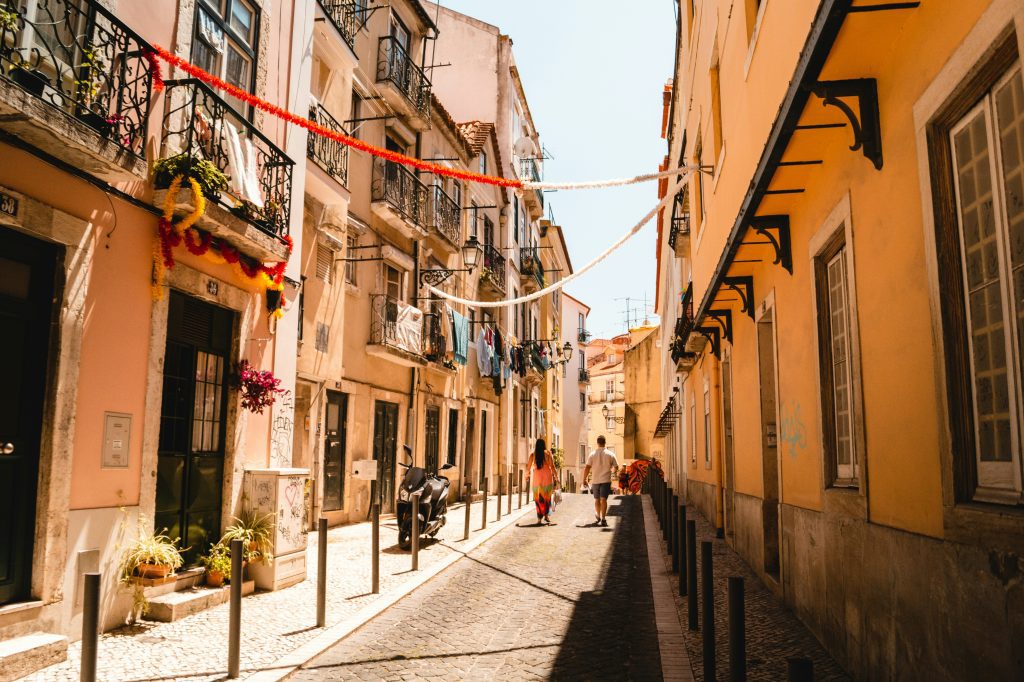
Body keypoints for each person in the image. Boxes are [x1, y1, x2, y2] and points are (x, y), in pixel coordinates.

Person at [583, 435, 618, 526]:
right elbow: (616, 466)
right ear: (605, 442)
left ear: (597, 443)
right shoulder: (610, 454)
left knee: (597, 499)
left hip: (595, 480)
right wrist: (613, 473)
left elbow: (587, 467)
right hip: (606, 480)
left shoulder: (592, 454)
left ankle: (598, 516)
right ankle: (603, 518)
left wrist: (584, 479)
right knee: (604, 499)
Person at [527, 438, 558, 524]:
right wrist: (556, 477)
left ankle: (539, 518)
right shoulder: (548, 454)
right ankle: (547, 516)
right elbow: (552, 467)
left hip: (537, 479)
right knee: (547, 498)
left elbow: (528, 468)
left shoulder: (533, 455)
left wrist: (527, 476)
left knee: (538, 499)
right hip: (547, 479)